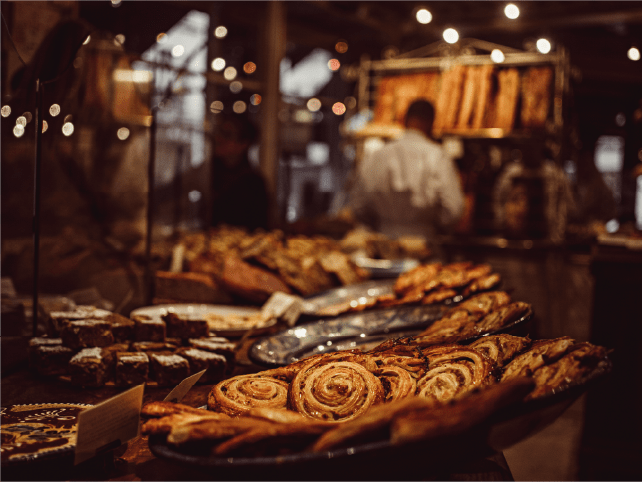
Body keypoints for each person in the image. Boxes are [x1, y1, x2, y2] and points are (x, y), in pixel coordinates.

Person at [348, 99, 465, 241]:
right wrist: (434, 226)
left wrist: (379, 225)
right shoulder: (438, 156)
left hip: (383, 243)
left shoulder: (378, 155)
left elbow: (358, 204)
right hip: (424, 242)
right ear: (431, 123)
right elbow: (454, 209)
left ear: (404, 120)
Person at [210, 114, 269, 231]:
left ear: (243, 144)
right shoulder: (206, 173)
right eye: (218, 133)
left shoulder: (253, 183)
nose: (218, 138)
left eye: (226, 135)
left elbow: (258, 229)